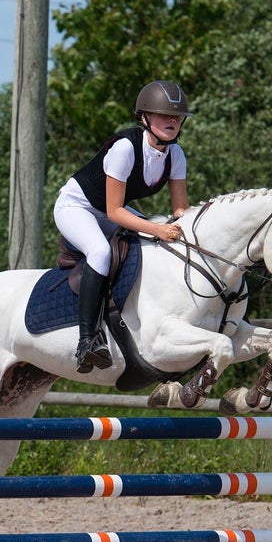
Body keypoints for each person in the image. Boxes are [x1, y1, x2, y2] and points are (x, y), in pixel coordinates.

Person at [54, 80, 192, 373]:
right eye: (163, 114)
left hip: (106, 209)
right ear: (144, 117)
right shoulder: (125, 148)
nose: (172, 121)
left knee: (158, 233)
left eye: (177, 117)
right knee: (101, 252)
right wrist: (157, 230)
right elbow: (115, 211)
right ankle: (86, 341)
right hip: (76, 206)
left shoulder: (176, 156)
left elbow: (180, 210)